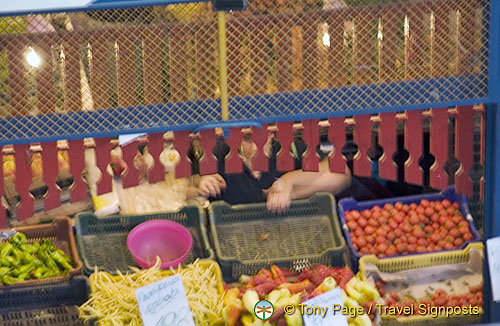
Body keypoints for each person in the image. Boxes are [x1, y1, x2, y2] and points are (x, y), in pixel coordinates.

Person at [188, 132, 351, 212]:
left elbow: (341, 174)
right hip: (236, 238)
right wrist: (200, 186)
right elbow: (180, 193)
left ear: (272, 134)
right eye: (246, 140)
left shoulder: (291, 149)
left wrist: (288, 183)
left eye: (260, 138)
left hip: (291, 232)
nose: (254, 147)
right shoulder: (219, 154)